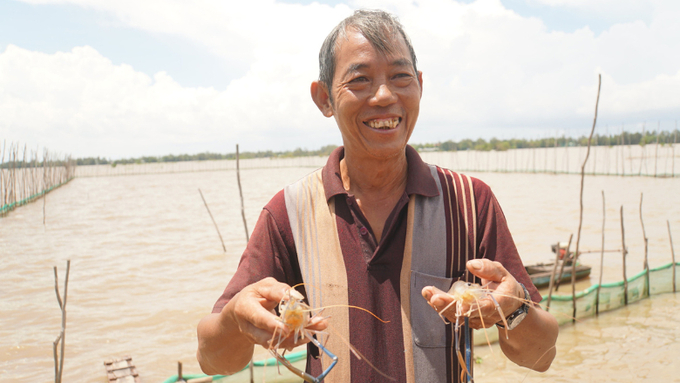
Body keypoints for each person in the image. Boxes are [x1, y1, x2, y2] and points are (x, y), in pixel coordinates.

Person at [197, 9, 558, 383]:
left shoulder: (471, 202)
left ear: (419, 85)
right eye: (360, 80)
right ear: (323, 99)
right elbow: (214, 362)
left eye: (401, 77)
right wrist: (235, 319)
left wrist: (513, 311)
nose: (385, 95)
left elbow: (542, 356)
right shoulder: (288, 213)